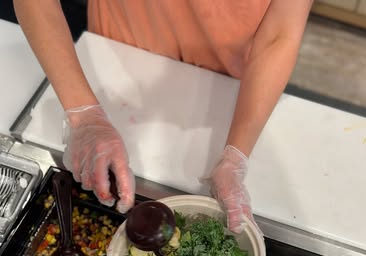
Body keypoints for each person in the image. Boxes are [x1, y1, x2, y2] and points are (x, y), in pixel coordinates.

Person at [14, 0, 313, 233]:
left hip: (230, 76)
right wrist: (83, 113)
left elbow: (279, 34)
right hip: (120, 49)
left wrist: (236, 154)